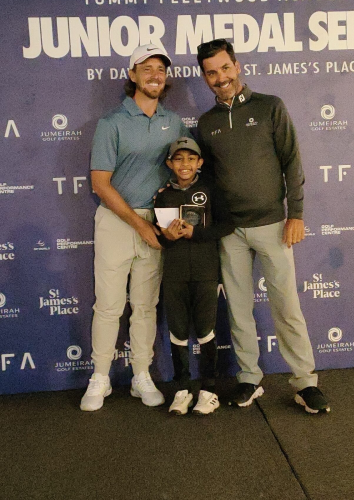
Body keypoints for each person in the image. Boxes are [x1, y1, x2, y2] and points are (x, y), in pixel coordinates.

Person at [196, 39, 330, 414]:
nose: (220, 78)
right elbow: (206, 180)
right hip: (230, 232)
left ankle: (305, 383)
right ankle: (249, 378)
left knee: (286, 305)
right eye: (211, 72)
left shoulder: (270, 106)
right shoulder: (206, 124)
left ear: (237, 66)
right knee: (238, 309)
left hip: (274, 225)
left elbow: (292, 162)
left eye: (225, 68)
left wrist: (297, 213)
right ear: (204, 77)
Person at [80, 44, 189, 412]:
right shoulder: (111, 122)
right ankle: (100, 377)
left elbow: (187, 168)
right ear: (132, 75)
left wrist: (169, 204)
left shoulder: (173, 122)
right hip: (116, 221)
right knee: (109, 306)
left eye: (161, 69)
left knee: (145, 306)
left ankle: (141, 375)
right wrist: (139, 226)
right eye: (147, 68)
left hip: (157, 221)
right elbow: (100, 183)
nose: (156, 75)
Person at [154, 137, 235, 415]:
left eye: (191, 159)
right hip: (175, 273)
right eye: (178, 159)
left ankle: (209, 390)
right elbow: (161, 238)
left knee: (205, 330)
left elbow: (227, 224)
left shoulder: (211, 190)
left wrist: (195, 233)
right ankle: (182, 389)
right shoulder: (163, 195)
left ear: (200, 163)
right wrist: (167, 236)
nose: (184, 164)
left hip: (205, 272)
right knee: (177, 331)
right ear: (169, 163)